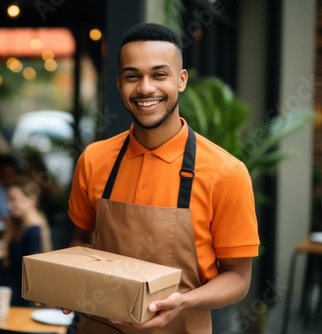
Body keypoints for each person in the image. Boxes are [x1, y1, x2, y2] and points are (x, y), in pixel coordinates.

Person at [66, 23, 260, 333]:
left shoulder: (227, 173)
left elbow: (238, 278)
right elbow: (81, 241)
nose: (145, 88)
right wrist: (66, 283)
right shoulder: (93, 159)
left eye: (159, 74)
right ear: (119, 83)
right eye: (133, 76)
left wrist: (183, 301)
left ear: (181, 80)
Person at [2, 176, 52, 306]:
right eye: (9, 199)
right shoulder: (19, 223)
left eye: (14, 199)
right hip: (13, 292)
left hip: (20, 300)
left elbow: (33, 275)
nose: (9, 205)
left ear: (31, 200)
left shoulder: (33, 230)